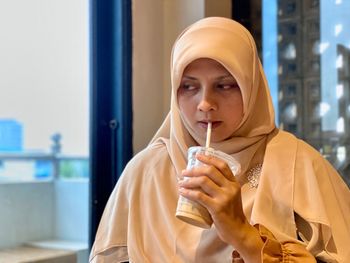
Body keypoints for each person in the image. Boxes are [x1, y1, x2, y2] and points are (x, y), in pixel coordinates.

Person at [89, 17, 350, 262]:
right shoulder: (145, 172)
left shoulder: (298, 165)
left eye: (225, 85)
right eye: (189, 86)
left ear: (251, 87)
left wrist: (241, 231)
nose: (205, 103)